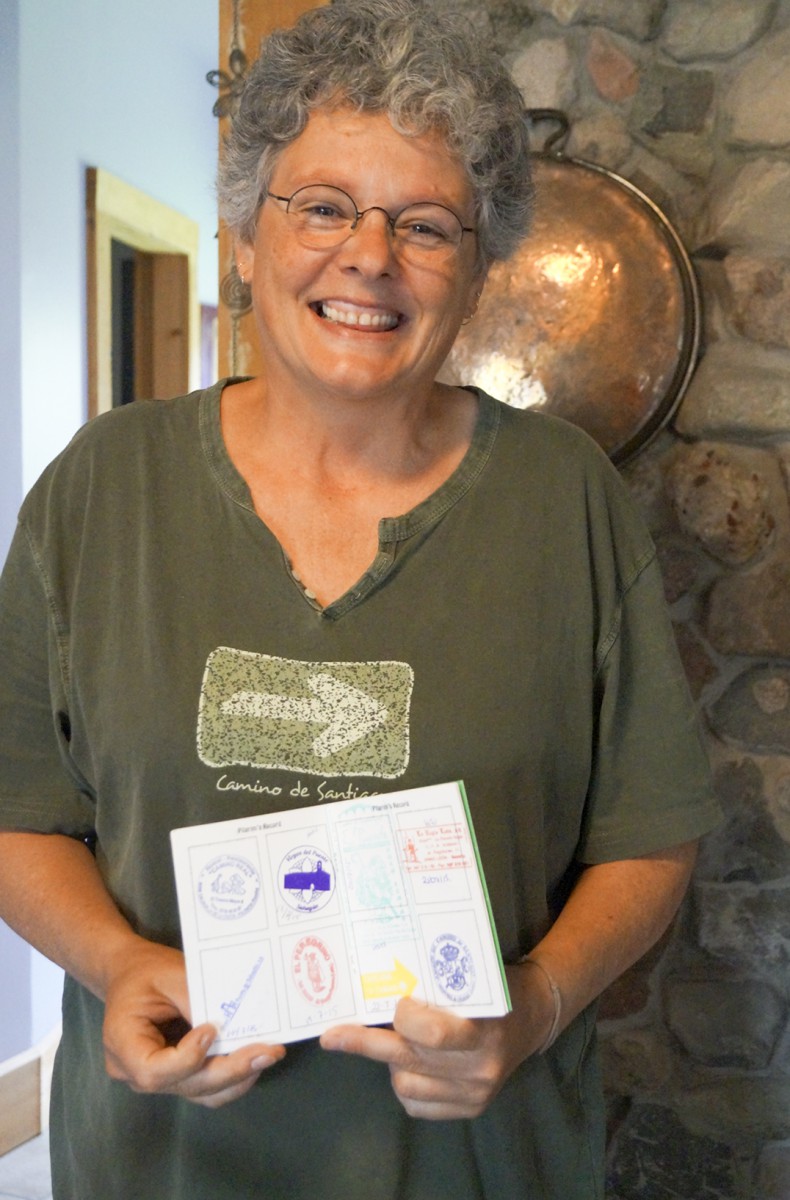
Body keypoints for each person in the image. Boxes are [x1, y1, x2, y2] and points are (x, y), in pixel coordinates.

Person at [0, 2, 720, 1197]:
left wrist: (533, 1007)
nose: (369, 258)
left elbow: (651, 829)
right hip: (165, 1165)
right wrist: (118, 962)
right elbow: (17, 811)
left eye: (426, 225)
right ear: (243, 232)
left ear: (480, 266)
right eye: (323, 206)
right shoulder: (102, 489)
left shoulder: (564, 502)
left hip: (478, 1165)